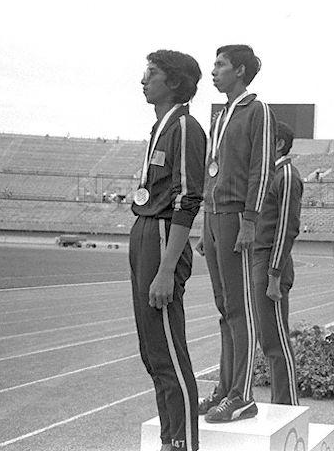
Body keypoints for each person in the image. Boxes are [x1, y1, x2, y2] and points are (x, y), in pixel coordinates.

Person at [196, 45, 276, 423]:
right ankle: (226, 386)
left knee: (240, 308)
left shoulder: (256, 110)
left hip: (235, 217)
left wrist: (250, 221)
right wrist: (203, 222)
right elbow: (212, 170)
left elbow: (261, 168)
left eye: (221, 64)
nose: (214, 71)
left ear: (240, 70)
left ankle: (242, 394)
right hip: (214, 217)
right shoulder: (221, 114)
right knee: (224, 308)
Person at [131, 50, 205, 451]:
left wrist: (165, 269)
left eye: (152, 72)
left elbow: (188, 200)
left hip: (162, 237)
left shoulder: (185, 128)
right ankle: (168, 439)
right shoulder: (160, 128)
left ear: (174, 82)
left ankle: (184, 442)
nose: (143, 79)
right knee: (153, 352)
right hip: (145, 231)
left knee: (169, 352)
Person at [252, 121, 303, 405]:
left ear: (279, 143)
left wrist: (273, 274)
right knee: (265, 337)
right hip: (260, 260)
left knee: (275, 339)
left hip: (271, 264)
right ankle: (280, 402)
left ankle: (285, 405)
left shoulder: (286, 175)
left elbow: (287, 228)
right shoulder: (270, 175)